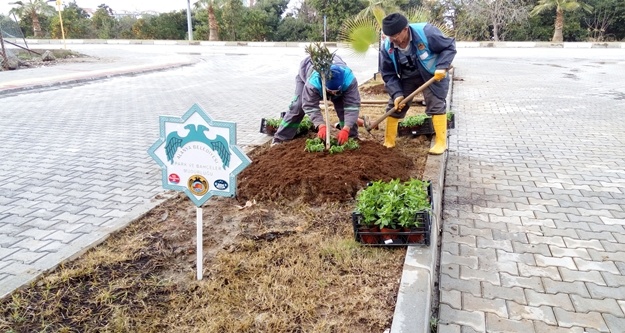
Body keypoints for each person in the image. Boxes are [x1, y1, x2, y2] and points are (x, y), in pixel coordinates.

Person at [380, 13, 456, 154]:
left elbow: (449, 46)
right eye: (390, 36)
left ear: (405, 29)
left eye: (396, 35)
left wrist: (442, 66)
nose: (394, 39)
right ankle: (389, 141)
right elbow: (388, 73)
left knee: (436, 103)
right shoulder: (387, 47)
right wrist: (397, 94)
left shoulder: (426, 33)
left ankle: (441, 142)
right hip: (407, 76)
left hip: (431, 74)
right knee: (395, 105)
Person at [271, 55, 361, 146]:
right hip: (305, 76)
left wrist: (346, 129)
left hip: (337, 86)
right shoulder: (313, 83)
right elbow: (309, 105)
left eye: (336, 92)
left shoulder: (349, 80)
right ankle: (280, 138)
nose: (333, 94)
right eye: (331, 91)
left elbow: (352, 106)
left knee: (343, 106)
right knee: (297, 106)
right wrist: (320, 125)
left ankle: (351, 137)